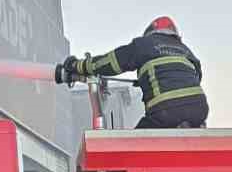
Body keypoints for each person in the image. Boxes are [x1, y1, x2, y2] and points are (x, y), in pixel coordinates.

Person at [54, 16, 208, 129]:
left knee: (132, 148)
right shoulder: (188, 52)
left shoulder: (144, 45)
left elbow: (109, 63)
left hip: (165, 113)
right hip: (199, 111)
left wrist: (77, 66)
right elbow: (190, 79)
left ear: (151, 33)